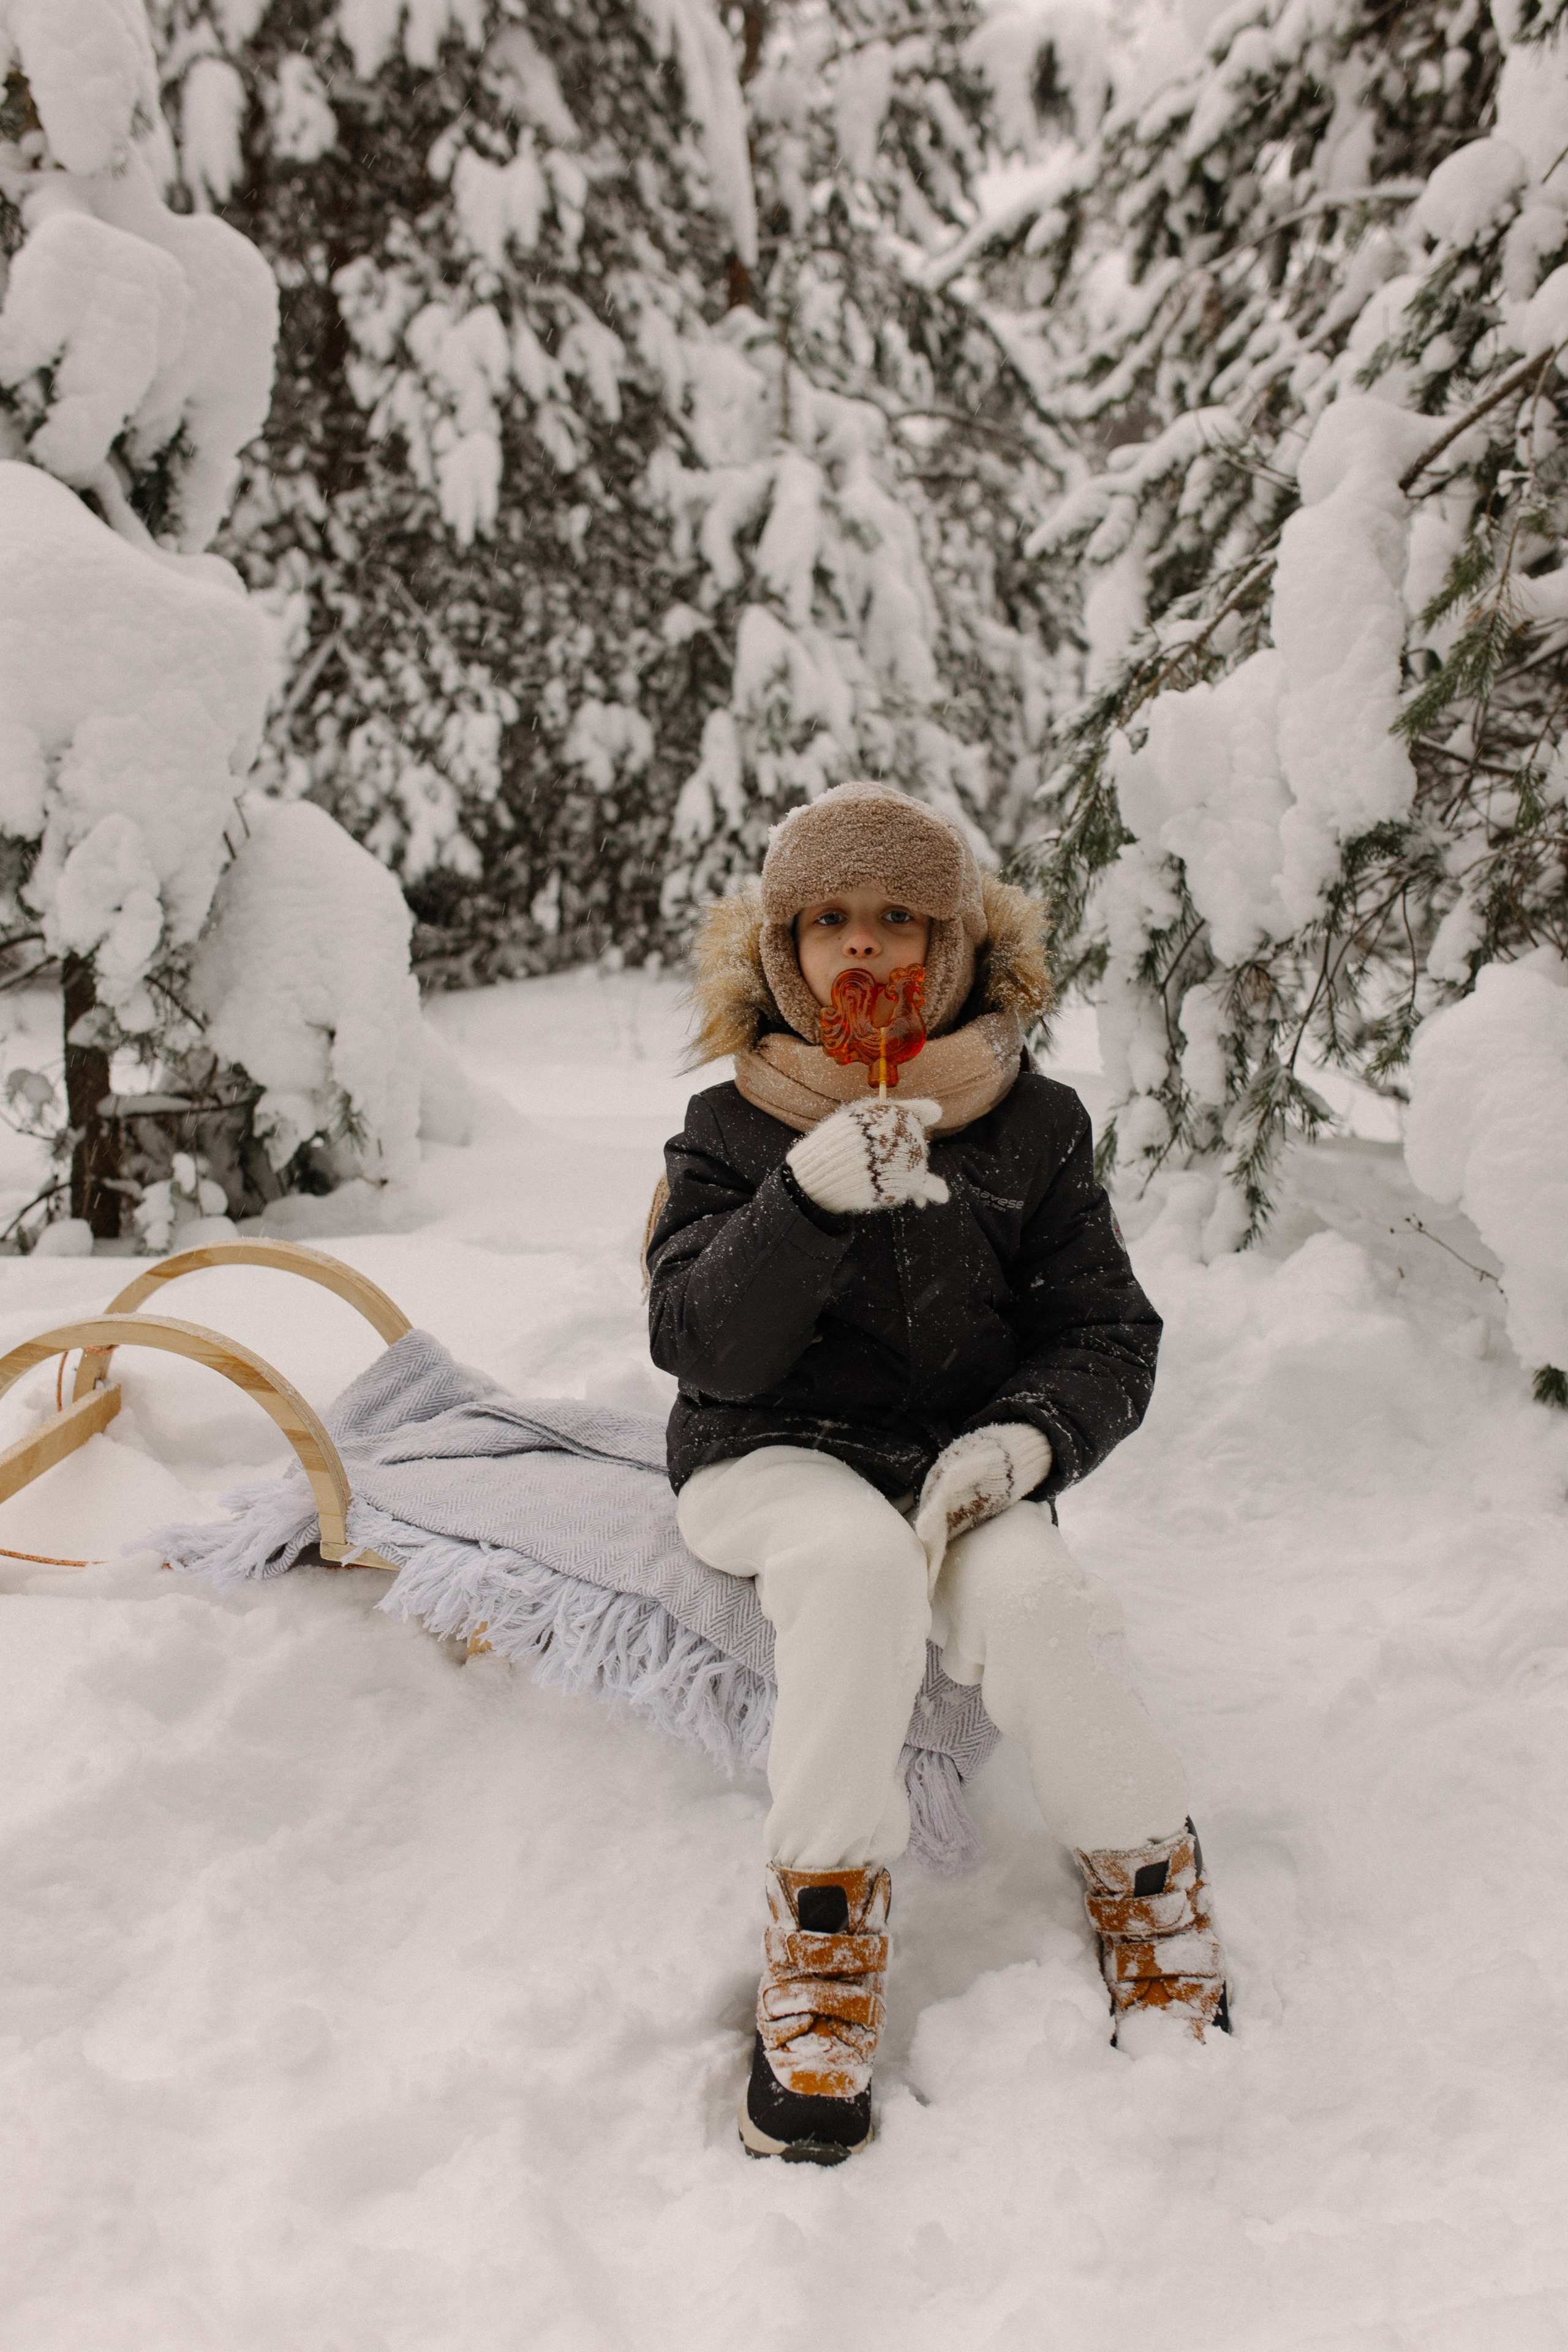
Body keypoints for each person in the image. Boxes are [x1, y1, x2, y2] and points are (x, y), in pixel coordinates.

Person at [646, 781, 1228, 2165]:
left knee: (1033, 1601)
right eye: (829, 920)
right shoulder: (728, 1127)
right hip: (766, 1456)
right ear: (783, 946)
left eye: (897, 919)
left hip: (955, 1464)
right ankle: (824, 1945)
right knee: (848, 1570)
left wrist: (1020, 1442)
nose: (863, 948)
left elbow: (1102, 1331)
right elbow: (699, 1347)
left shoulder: (1031, 1124)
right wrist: (806, 1197)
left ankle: (1149, 1886)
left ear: (955, 942)